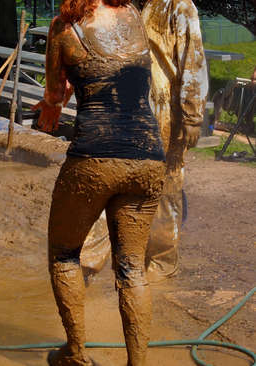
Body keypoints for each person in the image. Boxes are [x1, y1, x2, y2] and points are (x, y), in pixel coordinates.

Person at [33, 0, 166, 364]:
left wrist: (48, 109)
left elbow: (55, 96)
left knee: (63, 254)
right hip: (148, 157)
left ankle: (75, 355)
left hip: (96, 155)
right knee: (132, 267)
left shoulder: (64, 28)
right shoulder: (134, 15)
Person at [136, 0, 208, 282]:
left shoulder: (180, 6)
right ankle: (137, 255)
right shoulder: (143, 5)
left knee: (167, 188)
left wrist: (193, 114)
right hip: (141, 108)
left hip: (168, 112)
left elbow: (193, 59)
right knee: (139, 187)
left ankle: (162, 263)